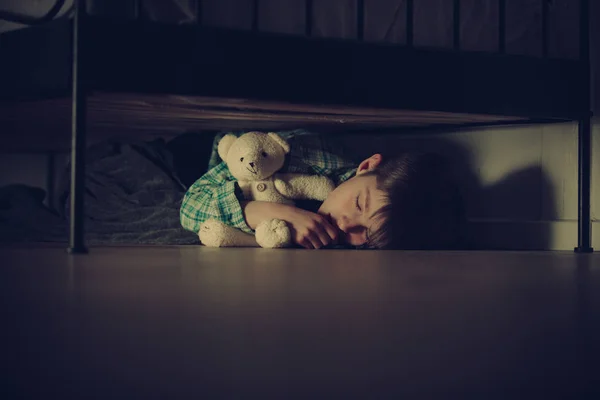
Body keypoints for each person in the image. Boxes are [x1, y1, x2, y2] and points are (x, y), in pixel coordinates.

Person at [180, 130, 466, 249]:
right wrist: (264, 210)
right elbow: (190, 207)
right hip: (214, 151)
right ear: (366, 166)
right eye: (357, 204)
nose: (344, 225)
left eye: (365, 234)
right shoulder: (299, 158)